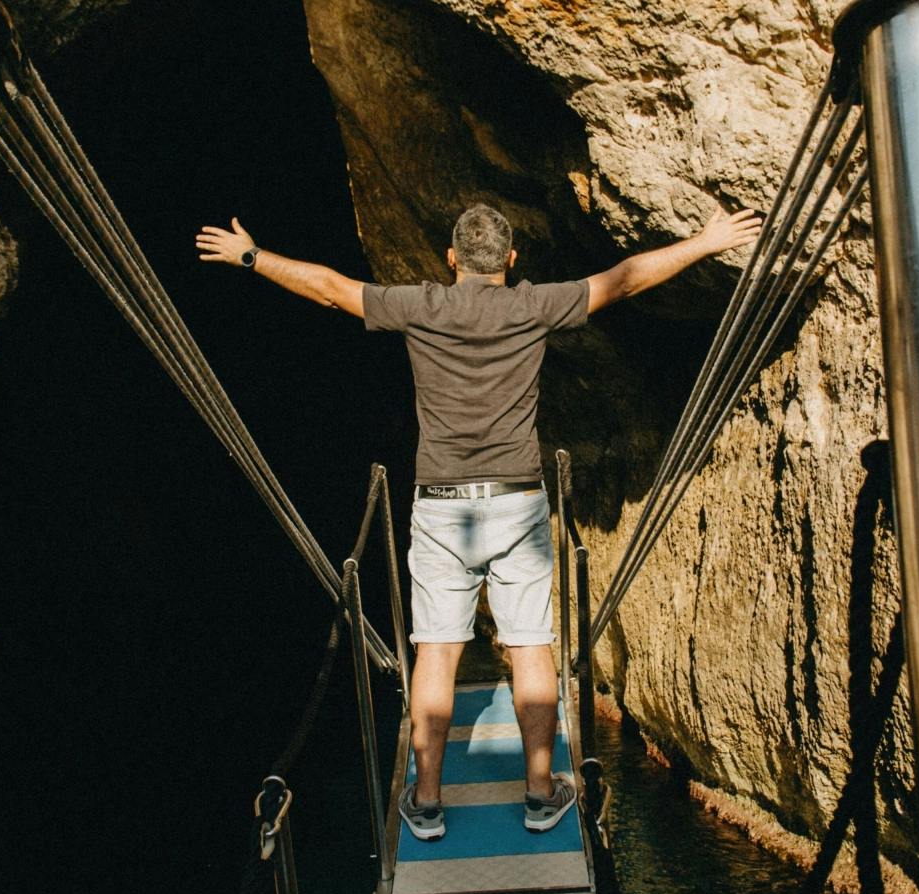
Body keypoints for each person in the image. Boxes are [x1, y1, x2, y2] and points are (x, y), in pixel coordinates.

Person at [195, 202, 761, 841]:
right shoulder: (533, 305)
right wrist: (705, 242)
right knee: (530, 644)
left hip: (440, 504)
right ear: (512, 262)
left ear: (452, 258)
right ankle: (542, 793)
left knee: (437, 648)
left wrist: (252, 256)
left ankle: (429, 801)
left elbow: (329, 287)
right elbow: (626, 278)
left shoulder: (421, 306)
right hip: (518, 500)